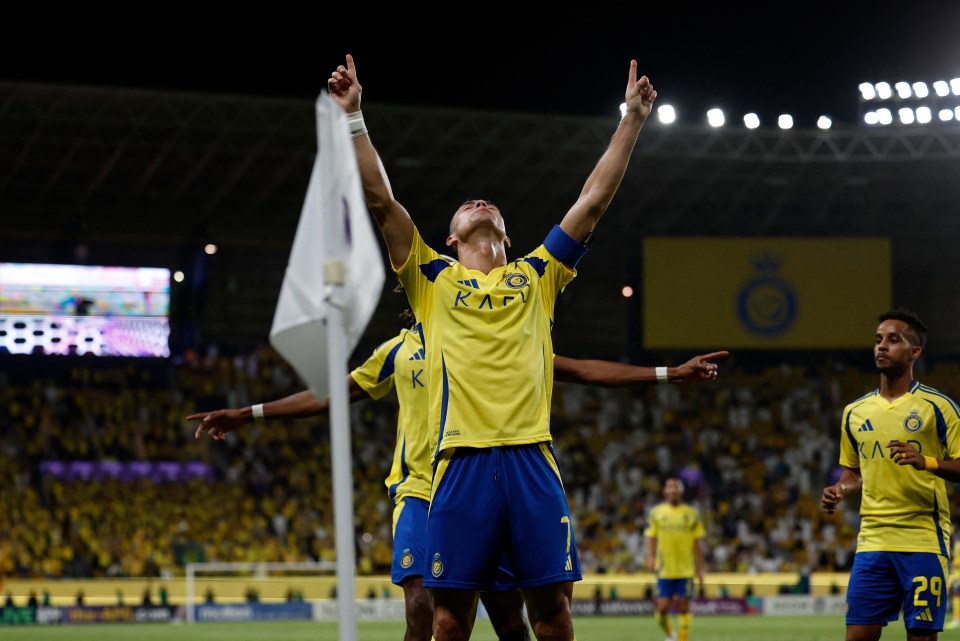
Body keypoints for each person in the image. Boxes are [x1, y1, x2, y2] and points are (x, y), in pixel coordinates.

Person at [328, 53, 658, 641]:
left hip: (532, 458)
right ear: (452, 238)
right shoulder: (431, 278)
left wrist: (631, 119)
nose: (480, 201)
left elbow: (592, 201)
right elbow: (381, 199)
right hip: (462, 463)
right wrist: (355, 118)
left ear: (506, 233)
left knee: (552, 615)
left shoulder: (538, 274)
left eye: (491, 205)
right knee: (449, 619)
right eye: (467, 205)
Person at [190, 320, 727, 641]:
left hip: (485, 491)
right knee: (424, 608)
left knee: (512, 624)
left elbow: (581, 368)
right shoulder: (397, 350)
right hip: (422, 492)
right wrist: (250, 412)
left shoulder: (494, 342)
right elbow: (332, 394)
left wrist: (668, 374)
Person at [821, 307, 960, 641]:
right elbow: (852, 472)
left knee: (921, 638)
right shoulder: (854, 412)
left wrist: (925, 461)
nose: (881, 346)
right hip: (872, 540)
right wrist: (840, 488)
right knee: (856, 636)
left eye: (893, 340)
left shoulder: (938, 407)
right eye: (878, 340)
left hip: (923, 541)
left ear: (915, 352)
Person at [644, 477, 705, 641]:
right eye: (670, 487)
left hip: (686, 569)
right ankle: (670, 634)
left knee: (684, 607)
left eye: (676, 487)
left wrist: (700, 569)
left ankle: (682, 639)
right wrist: (650, 557)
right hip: (665, 568)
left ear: (681, 491)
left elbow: (697, 543)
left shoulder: (691, 514)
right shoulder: (657, 513)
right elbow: (651, 537)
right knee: (662, 608)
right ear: (665, 491)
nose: (673, 490)